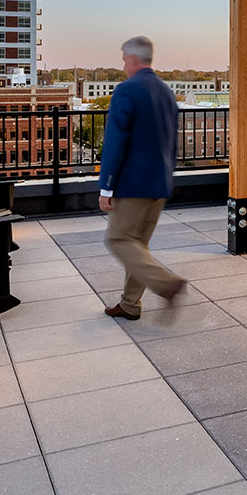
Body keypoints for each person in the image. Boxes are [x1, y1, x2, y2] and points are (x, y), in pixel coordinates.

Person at [98, 35, 186, 320]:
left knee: (118, 239)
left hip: (132, 184)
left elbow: (114, 143)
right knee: (139, 243)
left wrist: (106, 186)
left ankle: (167, 284)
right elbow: (172, 142)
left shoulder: (127, 90)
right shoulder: (165, 91)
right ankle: (130, 303)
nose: (123, 65)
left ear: (134, 59)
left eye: (124, 59)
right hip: (159, 182)